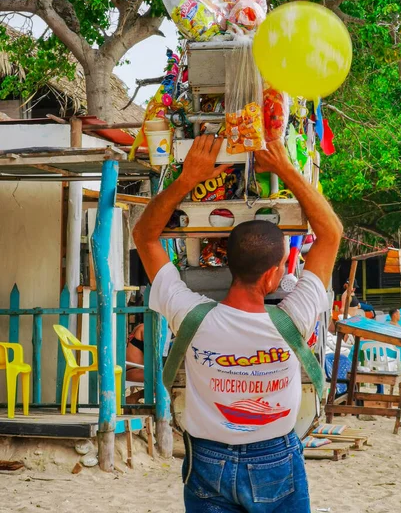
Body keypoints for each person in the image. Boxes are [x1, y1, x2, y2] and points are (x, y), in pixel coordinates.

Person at [134, 136, 342, 513]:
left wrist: (187, 178)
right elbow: (331, 233)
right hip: (275, 459)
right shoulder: (294, 317)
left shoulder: (191, 316)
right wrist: (285, 168)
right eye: (282, 267)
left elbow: (144, 236)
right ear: (272, 276)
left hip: (206, 463)